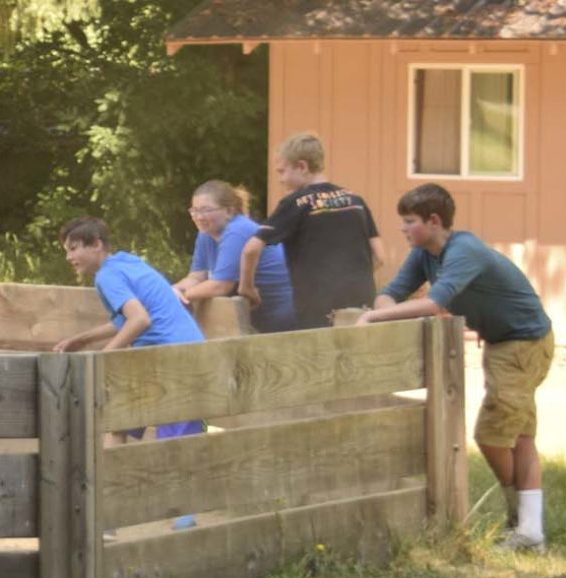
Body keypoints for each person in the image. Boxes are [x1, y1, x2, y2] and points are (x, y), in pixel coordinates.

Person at [359, 183, 556, 551]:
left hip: (523, 343)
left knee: (492, 435)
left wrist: (372, 319)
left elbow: (435, 304)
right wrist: (382, 309)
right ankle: (530, 530)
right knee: (521, 436)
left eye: (409, 221)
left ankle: (524, 525)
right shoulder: (424, 253)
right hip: (505, 343)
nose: (402, 228)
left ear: (434, 221)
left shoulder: (464, 251)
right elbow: (392, 291)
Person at [54, 217, 208, 441]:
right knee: (119, 421)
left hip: (175, 361)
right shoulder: (126, 262)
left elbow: (139, 320)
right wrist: (81, 340)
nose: (69, 257)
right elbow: (128, 319)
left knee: (176, 446)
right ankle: (112, 475)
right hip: (176, 355)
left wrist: (102, 357)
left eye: (74, 249)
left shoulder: (107, 276)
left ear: (97, 244)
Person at [241, 132, 387, 330]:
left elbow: (251, 249)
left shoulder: (295, 202)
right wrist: (351, 276)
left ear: (302, 166)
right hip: (361, 299)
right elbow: (380, 255)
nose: (280, 179)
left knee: (320, 357)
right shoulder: (355, 200)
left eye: (282, 171)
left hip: (317, 303)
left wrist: (247, 287)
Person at [176, 181, 297, 334]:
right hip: (255, 319)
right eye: (194, 211)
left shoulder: (237, 230)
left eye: (206, 210)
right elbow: (196, 277)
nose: (199, 217)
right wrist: (172, 291)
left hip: (283, 318)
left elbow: (220, 286)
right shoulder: (206, 233)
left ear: (229, 211)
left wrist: (181, 297)